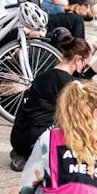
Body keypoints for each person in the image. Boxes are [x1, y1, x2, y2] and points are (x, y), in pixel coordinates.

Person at [9, 31, 90, 170]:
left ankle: (24, 154)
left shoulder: (43, 75)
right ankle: (36, 155)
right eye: (85, 65)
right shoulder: (69, 83)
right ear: (77, 59)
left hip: (17, 136)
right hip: (38, 139)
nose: (84, 69)